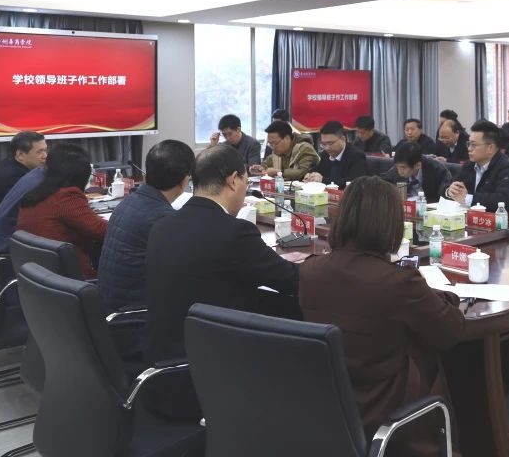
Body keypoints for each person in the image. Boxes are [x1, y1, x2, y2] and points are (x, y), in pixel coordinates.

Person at [299, 177, 464, 457]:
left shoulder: (309, 271)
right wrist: (446, 297)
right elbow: (451, 331)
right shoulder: (398, 282)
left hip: (331, 411)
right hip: (388, 414)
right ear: (391, 224)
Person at [144, 145, 299, 421]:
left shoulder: (161, 226)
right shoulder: (234, 232)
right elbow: (292, 281)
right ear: (234, 180)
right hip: (210, 378)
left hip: (161, 371)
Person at [97, 140, 195, 313]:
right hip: (133, 317)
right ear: (185, 180)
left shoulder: (128, 202)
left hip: (108, 308)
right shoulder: (163, 219)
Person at [16, 143, 107, 279]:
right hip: (72, 279)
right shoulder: (66, 197)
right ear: (81, 174)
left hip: (39, 277)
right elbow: (101, 230)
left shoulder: (36, 195)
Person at [445, 120, 509, 211]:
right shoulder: (469, 165)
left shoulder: (506, 167)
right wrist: (450, 191)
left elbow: (505, 200)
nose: (469, 149)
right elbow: (448, 185)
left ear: (490, 148)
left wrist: (468, 199)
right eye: (468, 144)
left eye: (473, 145)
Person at [0, 131, 47, 227]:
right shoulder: (14, 176)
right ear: (20, 155)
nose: (45, 156)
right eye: (39, 152)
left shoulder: (9, 163)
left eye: (45, 150)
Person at [381, 142, 452, 203]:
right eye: (397, 167)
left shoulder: (437, 169)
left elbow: (445, 191)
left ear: (418, 165)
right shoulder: (399, 167)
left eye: (403, 168)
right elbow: (384, 181)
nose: (399, 172)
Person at [303, 121, 368, 188]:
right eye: (323, 144)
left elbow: (355, 181)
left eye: (330, 143)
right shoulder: (325, 154)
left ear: (343, 139)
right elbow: (317, 169)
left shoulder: (357, 155)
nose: (327, 148)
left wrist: (323, 180)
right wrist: (310, 175)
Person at [249, 120, 320, 179]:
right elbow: (266, 164)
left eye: (275, 143)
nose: (272, 147)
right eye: (270, 144)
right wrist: (260, 169)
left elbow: (303, 172)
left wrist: (279, 172)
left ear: (287, 138)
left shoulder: (304, 148)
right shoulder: (277, 151)